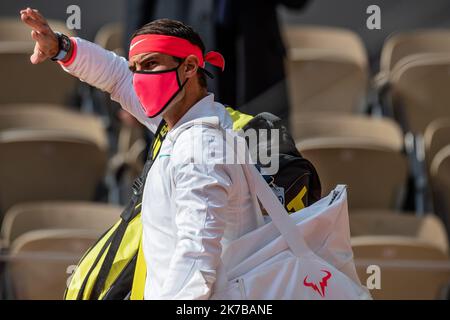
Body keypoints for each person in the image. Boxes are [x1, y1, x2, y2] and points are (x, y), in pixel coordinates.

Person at [20, 7, 265, 299]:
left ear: (188, 67)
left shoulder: (200, 150)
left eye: (150, 65)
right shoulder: (189, 121)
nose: (139, 78)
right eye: (136, 68)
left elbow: (196, 265)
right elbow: (116, 75)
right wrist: (62, 48)